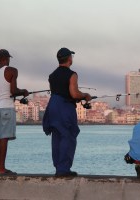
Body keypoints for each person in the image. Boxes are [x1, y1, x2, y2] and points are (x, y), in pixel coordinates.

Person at [43, 47, 92, 177]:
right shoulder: (72, 74)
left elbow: (58, 91)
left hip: (53, 105)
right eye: (71, 56)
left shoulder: (52, 75)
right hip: (64, 107)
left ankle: (59, 167)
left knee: (57, 137)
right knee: (68, 135)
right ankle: (63, 169)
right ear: (69, 59)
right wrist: (85, 95)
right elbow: (74, 94)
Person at [0, 49, 28, 175]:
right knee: (4, 138)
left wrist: (1, 93)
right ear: (7, 58)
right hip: (6, 107)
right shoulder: (12, 70)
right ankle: (1, 168)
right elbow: (14, 90)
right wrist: (24, 91)